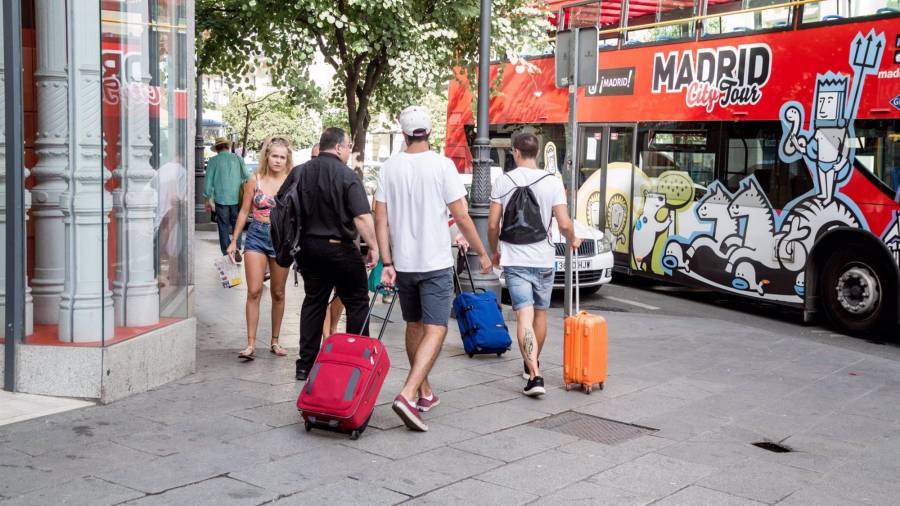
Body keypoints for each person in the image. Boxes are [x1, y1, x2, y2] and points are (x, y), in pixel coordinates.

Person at [375, 105, 492, 432]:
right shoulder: (443, 166)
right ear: (429, 133)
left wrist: (387, 261)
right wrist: (482, 252)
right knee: (437, 328)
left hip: (405, 263)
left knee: (414, 324)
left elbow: (380, 220)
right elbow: (463, 216)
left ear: (403, 133)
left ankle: (424, 391)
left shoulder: (388, 169)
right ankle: (408, 393)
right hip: (436, 262)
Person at [487, 132, 581, 397]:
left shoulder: (503, 181)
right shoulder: (552, 182)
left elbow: (493, 224)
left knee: (523, 317)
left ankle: (535, 376)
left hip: (515, 260)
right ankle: (532, 366)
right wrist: (573, 239)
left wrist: (494, 252)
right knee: (540, 314)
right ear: (537, 153)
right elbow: (563, 224)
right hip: (543, 259)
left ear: (515, 152)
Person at [283, 128, 379, 381]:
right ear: (338, 147)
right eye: (347, 147)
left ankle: (305, 365)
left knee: (314, 302)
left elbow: (281, 206)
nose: (348, 152)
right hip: (340, 248)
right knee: (357, 302)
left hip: (308, 249)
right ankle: (354, 362)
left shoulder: (300, 173)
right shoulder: (347, 175)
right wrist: (375, 248)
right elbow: (361, 217)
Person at [227, 136, 293, 360]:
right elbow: (244, 212)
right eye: (274, 155)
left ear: (287, 159)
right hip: (256, 235)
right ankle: (250, 344)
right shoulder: (254, 179)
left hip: (281, 239)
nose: (278, 160)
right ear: (267, 156)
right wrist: (234, 240)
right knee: (254, 291)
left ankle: (275, 341)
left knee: (278, 292)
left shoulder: (291, 181)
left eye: (282, 157)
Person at [204, 136, 249, 259]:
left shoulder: (213, 161)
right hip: (237, 199)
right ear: (228, 147)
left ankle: (226, 252)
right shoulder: (238, 159)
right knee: (237, 224)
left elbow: (208, 182)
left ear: (217, 149)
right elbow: (247, 176)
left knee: (223, 226)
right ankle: (237, 248)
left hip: (221, 199)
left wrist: (207, 198)